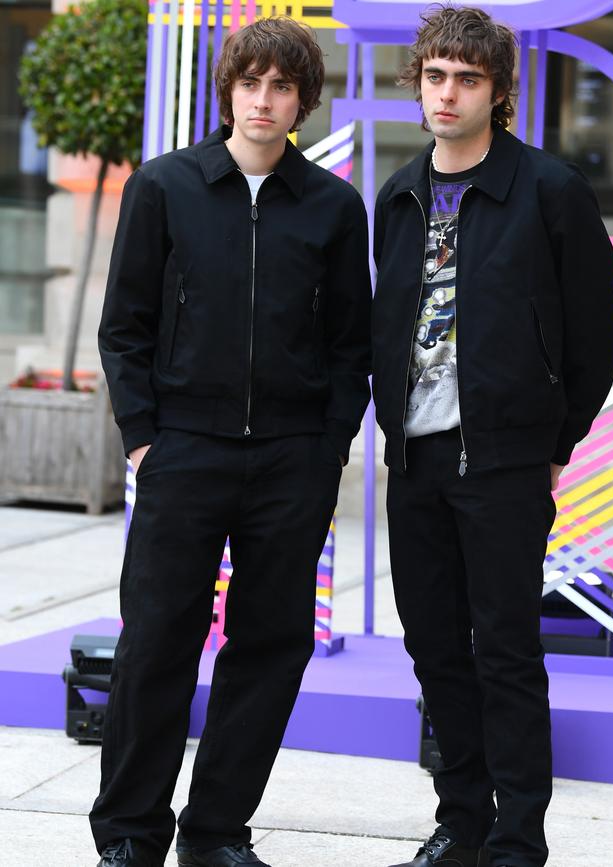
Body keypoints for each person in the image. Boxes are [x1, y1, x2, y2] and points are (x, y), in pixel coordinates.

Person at [91, 17, 371, 867]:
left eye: (282, 86)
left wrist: (326, 451)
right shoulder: (165, 187)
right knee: (156, 642)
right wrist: (145, 441)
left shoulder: (331, 206)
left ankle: (215, 832)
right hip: (184, 450)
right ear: (229, 90)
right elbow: (124, 326)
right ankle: (132, 835)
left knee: (270, 645)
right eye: (251, 82)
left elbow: (352, 344)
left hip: (291, 459)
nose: (264, 99)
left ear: (302, 102)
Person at [371, 6, 613, 867]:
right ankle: (462, 819)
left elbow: (595, 327)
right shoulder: (398, 194)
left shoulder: (548, 189)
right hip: (416, 459)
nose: (448, 93)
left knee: (506, 649)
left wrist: (558, 437)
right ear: (418, 83)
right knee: (433, 645)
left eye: (467, 79)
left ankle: (518, 838)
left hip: (506, 461)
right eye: (436, 75)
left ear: (499, 91)